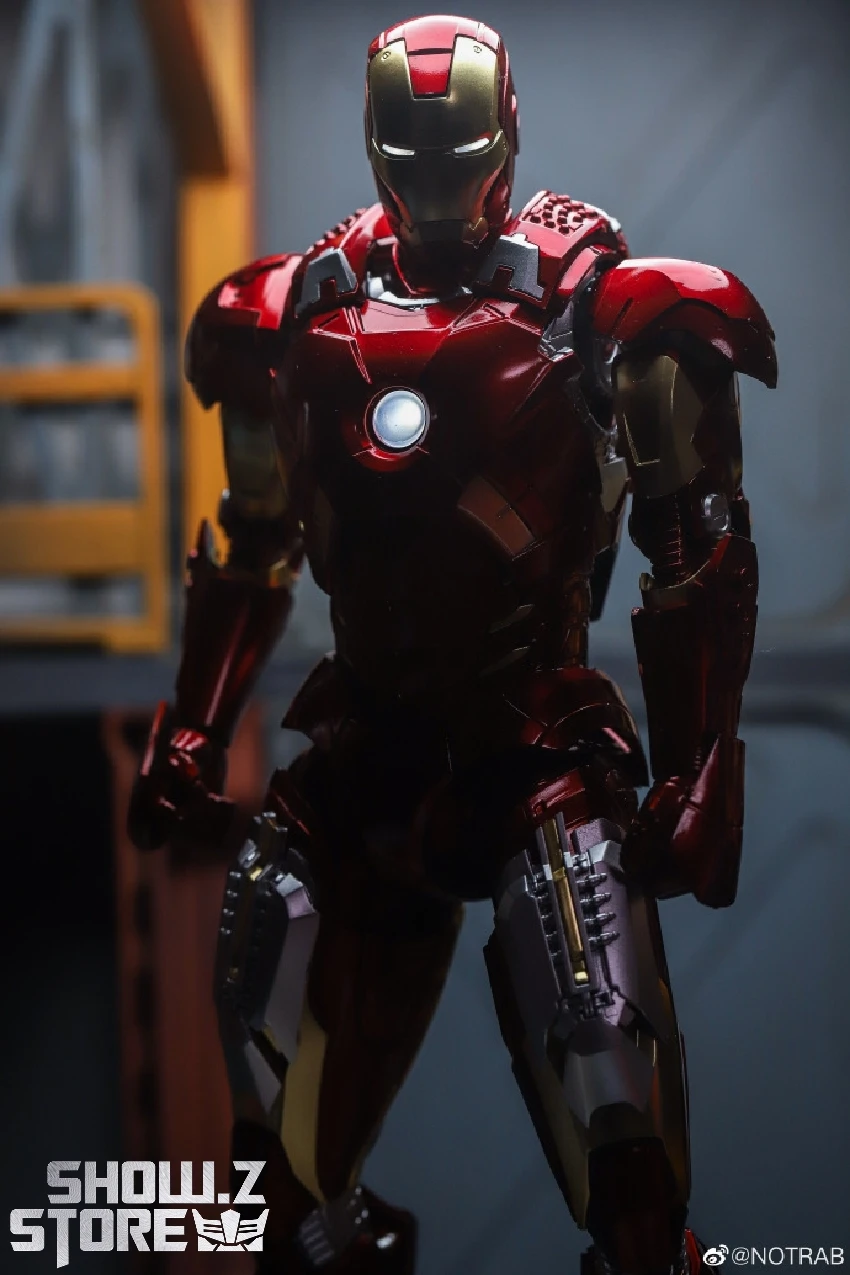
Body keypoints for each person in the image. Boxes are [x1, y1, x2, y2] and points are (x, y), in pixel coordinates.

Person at [129, 14, 776, 1274]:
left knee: (618, 1120)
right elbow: (255, 540)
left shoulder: (596, 301)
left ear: (503, 141)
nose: (434, 187)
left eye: (454, 155)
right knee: (276, 1173)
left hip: (528, 744)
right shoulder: (289, 314)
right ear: (378, 148)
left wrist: (702, 770)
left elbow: (692, 546)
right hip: (367, 752)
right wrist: (195, 728)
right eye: (411, 156)